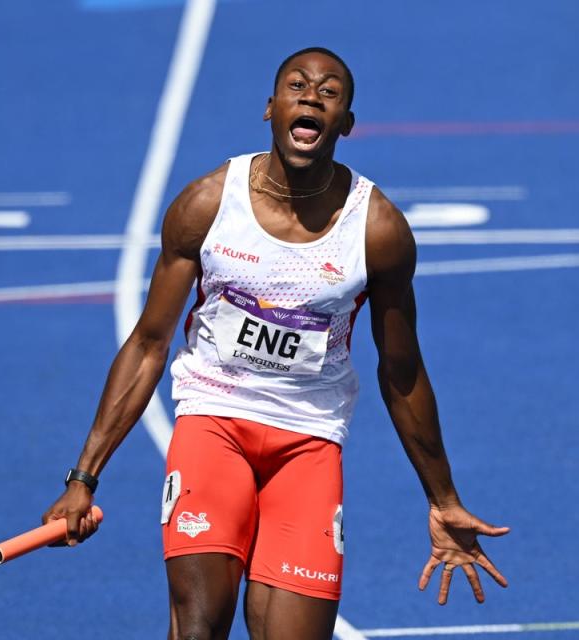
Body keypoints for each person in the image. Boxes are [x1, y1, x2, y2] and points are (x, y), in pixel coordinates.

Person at [42, 46, 509, 640]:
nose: (311, 96)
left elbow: (402, 370)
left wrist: (442, 498)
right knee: (199, 626)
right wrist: (83, 478)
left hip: (308, 446)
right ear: (271, 108)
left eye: (329, 91)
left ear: (346, 123)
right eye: (296, 85)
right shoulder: (208, 204)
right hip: (214, 423)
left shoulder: (377, 229)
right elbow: (148, 344)